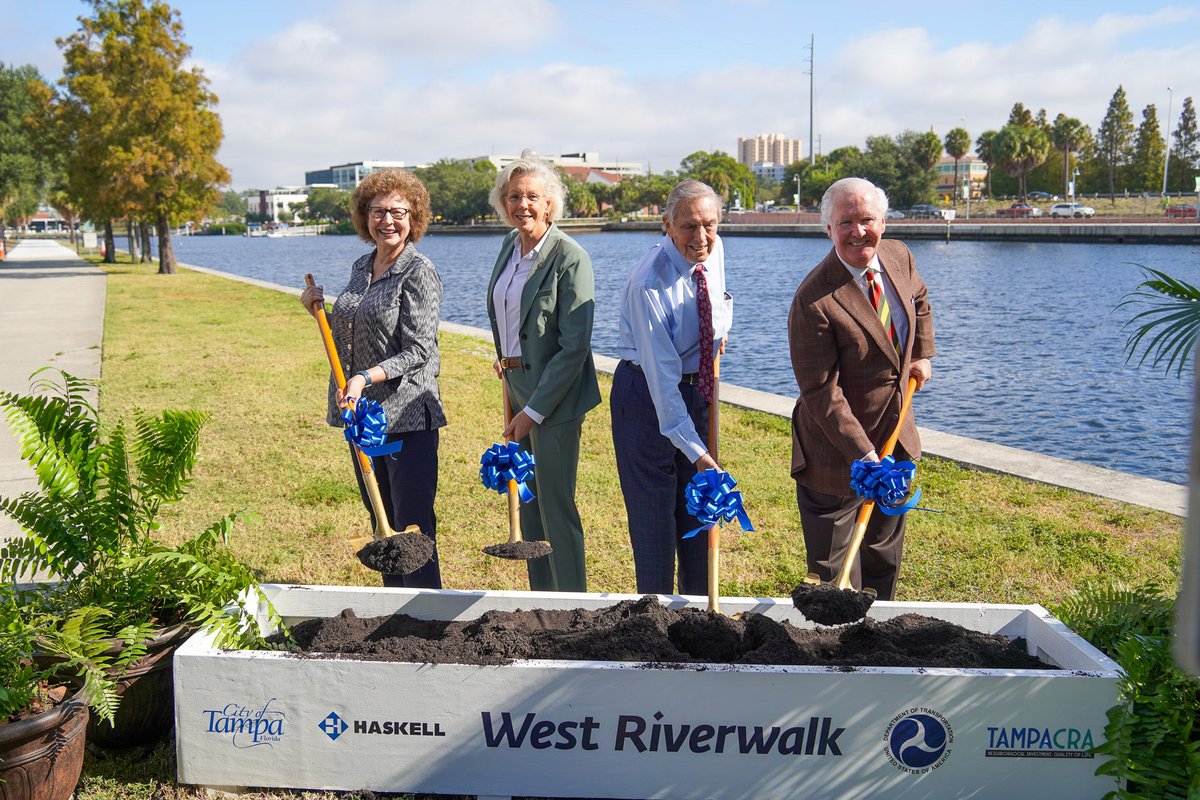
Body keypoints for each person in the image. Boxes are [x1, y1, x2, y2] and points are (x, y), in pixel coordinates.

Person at [788, 176, 935, 601]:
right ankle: (829, 650)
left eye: (866, 219)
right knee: (831, 572)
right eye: (845, 222)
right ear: (828, 229)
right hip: (835, 453)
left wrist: (921, 354)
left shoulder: (898, 256)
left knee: (883, 557)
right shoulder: (813, 300)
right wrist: (866, 457)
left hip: (895, 436)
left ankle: (878, 634)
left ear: (883, 222)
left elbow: (919, 299)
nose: (858, 232)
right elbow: (820, 392)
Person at [300, 169, 447, 589]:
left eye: (398, 212)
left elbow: (421, 351)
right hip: (362, 414)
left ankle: (425, 612)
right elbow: (353, 327)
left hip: (405, 414)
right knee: (381, 520)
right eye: (378, 211)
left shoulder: (419, 271)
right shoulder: (363, 265)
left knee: (411, 524)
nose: (387, 221)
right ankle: (393, 612)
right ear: (365, 216)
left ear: (413, 217)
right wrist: (319, 311)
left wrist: (366, 376)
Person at [611, 179, 733, 596]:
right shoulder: (650, 283)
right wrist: (698, 452)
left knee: (699, 510)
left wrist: (718, 333)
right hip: (645, 394)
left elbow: (718, 299)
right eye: (688, 227)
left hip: (696, 385)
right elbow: (662, 384)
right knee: (655, 523)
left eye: (709, 225)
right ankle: (656, 623)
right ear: (667, 224)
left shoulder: (714, 252)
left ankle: (700, 613)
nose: (701, 238)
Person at [485, 151, 600, 592]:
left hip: (555, 398)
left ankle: (572, 606)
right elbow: (510, 312)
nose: (523, 205)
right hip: (516, 385)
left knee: (554, 505)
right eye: (514, 196)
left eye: (533, 196)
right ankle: (540, 603)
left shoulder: (570, 258)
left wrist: (532, 411)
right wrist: (506, 354)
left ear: (550, 203)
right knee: (528, 505)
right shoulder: (507, 248)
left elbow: (574, 348)